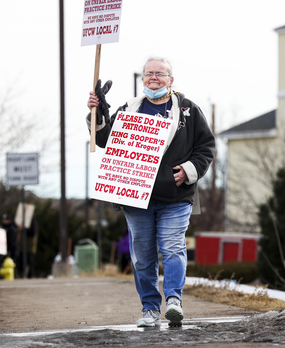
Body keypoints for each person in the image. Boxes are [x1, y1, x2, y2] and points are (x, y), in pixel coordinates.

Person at [86, 57, 215, 327]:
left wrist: (190, 170)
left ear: (171, 79)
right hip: (135, 198)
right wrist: (97, 113)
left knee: (172, 248)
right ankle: (149, 308)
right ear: (142, 78)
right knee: (143, 256)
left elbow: (206, 146)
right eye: (148, 74)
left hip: (176, 196)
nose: (153, 78)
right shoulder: (129, 109)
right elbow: (103, 138)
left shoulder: (189, 110)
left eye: (160, 73)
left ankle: (174, 301)